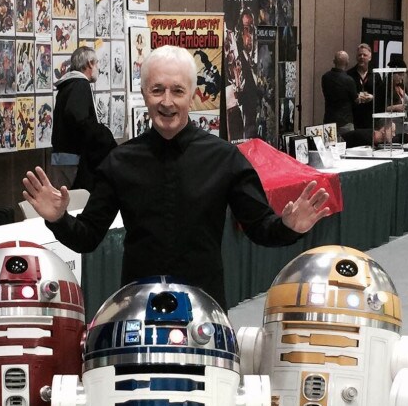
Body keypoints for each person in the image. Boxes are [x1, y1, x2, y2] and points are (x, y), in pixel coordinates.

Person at [22, 45, 332, 310]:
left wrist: (288, 227)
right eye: (157, 90)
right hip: (138, 307)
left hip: (204, 308)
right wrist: (59, 218)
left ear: (193, 96)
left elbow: (260, 228)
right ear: (145, 94)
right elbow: (87, 236)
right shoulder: (118, 162)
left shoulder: (225, 159)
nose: (167, 101)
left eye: (177, 91)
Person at [50, 46, 117, 191]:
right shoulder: (81, 84)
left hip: (59, 157)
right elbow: (78, 117)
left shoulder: (66, 86)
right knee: (79, 204)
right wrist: (102, 134)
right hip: (75, 159)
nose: (98, 68)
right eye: (97, 63)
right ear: (89, 64)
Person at [321, 50, 357, 132]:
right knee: (348, 143)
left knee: (329, 144)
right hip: (345, 121)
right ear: (347, 62)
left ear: (334, 61)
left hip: (329, 119)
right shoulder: (349, 80)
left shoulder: (325, 77)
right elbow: (356, 99)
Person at [347, 42, 376, 130]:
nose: (362, 57)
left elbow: (381, 95)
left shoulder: (375, 75)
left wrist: (373, 97)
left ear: (370, 57)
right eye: (359, 55)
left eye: (364, 55)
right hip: (353, 116)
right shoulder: (349, 74)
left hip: (370, 117)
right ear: (356, 57)